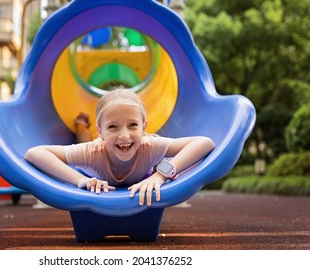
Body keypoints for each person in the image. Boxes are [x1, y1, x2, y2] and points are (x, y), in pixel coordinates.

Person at [25, 87, 215, 206]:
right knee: (84, 143)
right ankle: (81, 123)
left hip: (147, 174)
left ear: (144, 127)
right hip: (93, 168)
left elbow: (205, 143)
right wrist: (78, 180)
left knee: (170, 162)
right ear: (100, 131)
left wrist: (160, 175)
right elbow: (34, 154)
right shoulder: (93, 151)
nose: (124, 135)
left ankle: (91, 125)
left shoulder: (149, 145)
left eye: (133, 125)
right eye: (113, 127)